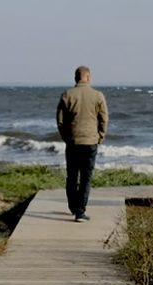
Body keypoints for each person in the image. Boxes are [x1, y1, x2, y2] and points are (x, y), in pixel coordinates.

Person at [56, 66, 108, 222]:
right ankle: (80, 210)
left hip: (73, 141)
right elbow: (104, 118)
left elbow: (60, 120)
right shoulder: (97, 95)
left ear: (75, 78)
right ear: (88, 77)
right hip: (90, 141)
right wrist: (101, 136)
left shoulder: (67, 95)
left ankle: (73, 206)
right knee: (86, 177)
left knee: (72, 175)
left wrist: (66, 136)